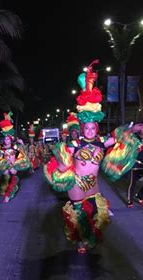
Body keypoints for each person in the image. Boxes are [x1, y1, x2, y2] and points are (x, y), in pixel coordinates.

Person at [44, 60, 112, 253]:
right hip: (77, 184)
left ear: (96, 128)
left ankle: (89, 236)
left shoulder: (101, 142)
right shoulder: (75, 144)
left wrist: (134, 130)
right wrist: (60, 173)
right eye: (87, 128)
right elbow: (61, 159)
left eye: (93, 128)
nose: (90, 131)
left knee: (100, 214)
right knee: (80, 215)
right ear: (82, 128)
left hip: (94, 184)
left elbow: (117, 139)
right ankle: (82, 241)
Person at [0, 112, 31, 203]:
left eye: (8, 139)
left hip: (13, 166)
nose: (6, 140)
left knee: (14, 179)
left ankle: (8, 195)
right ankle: (6, 190)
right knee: (6, 178)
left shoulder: (15, 147)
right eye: (5, 139)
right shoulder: (2, 148)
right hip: (6, 166)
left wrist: (22, 144)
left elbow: (23, 152)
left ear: (11, 139)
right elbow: (0, 157)